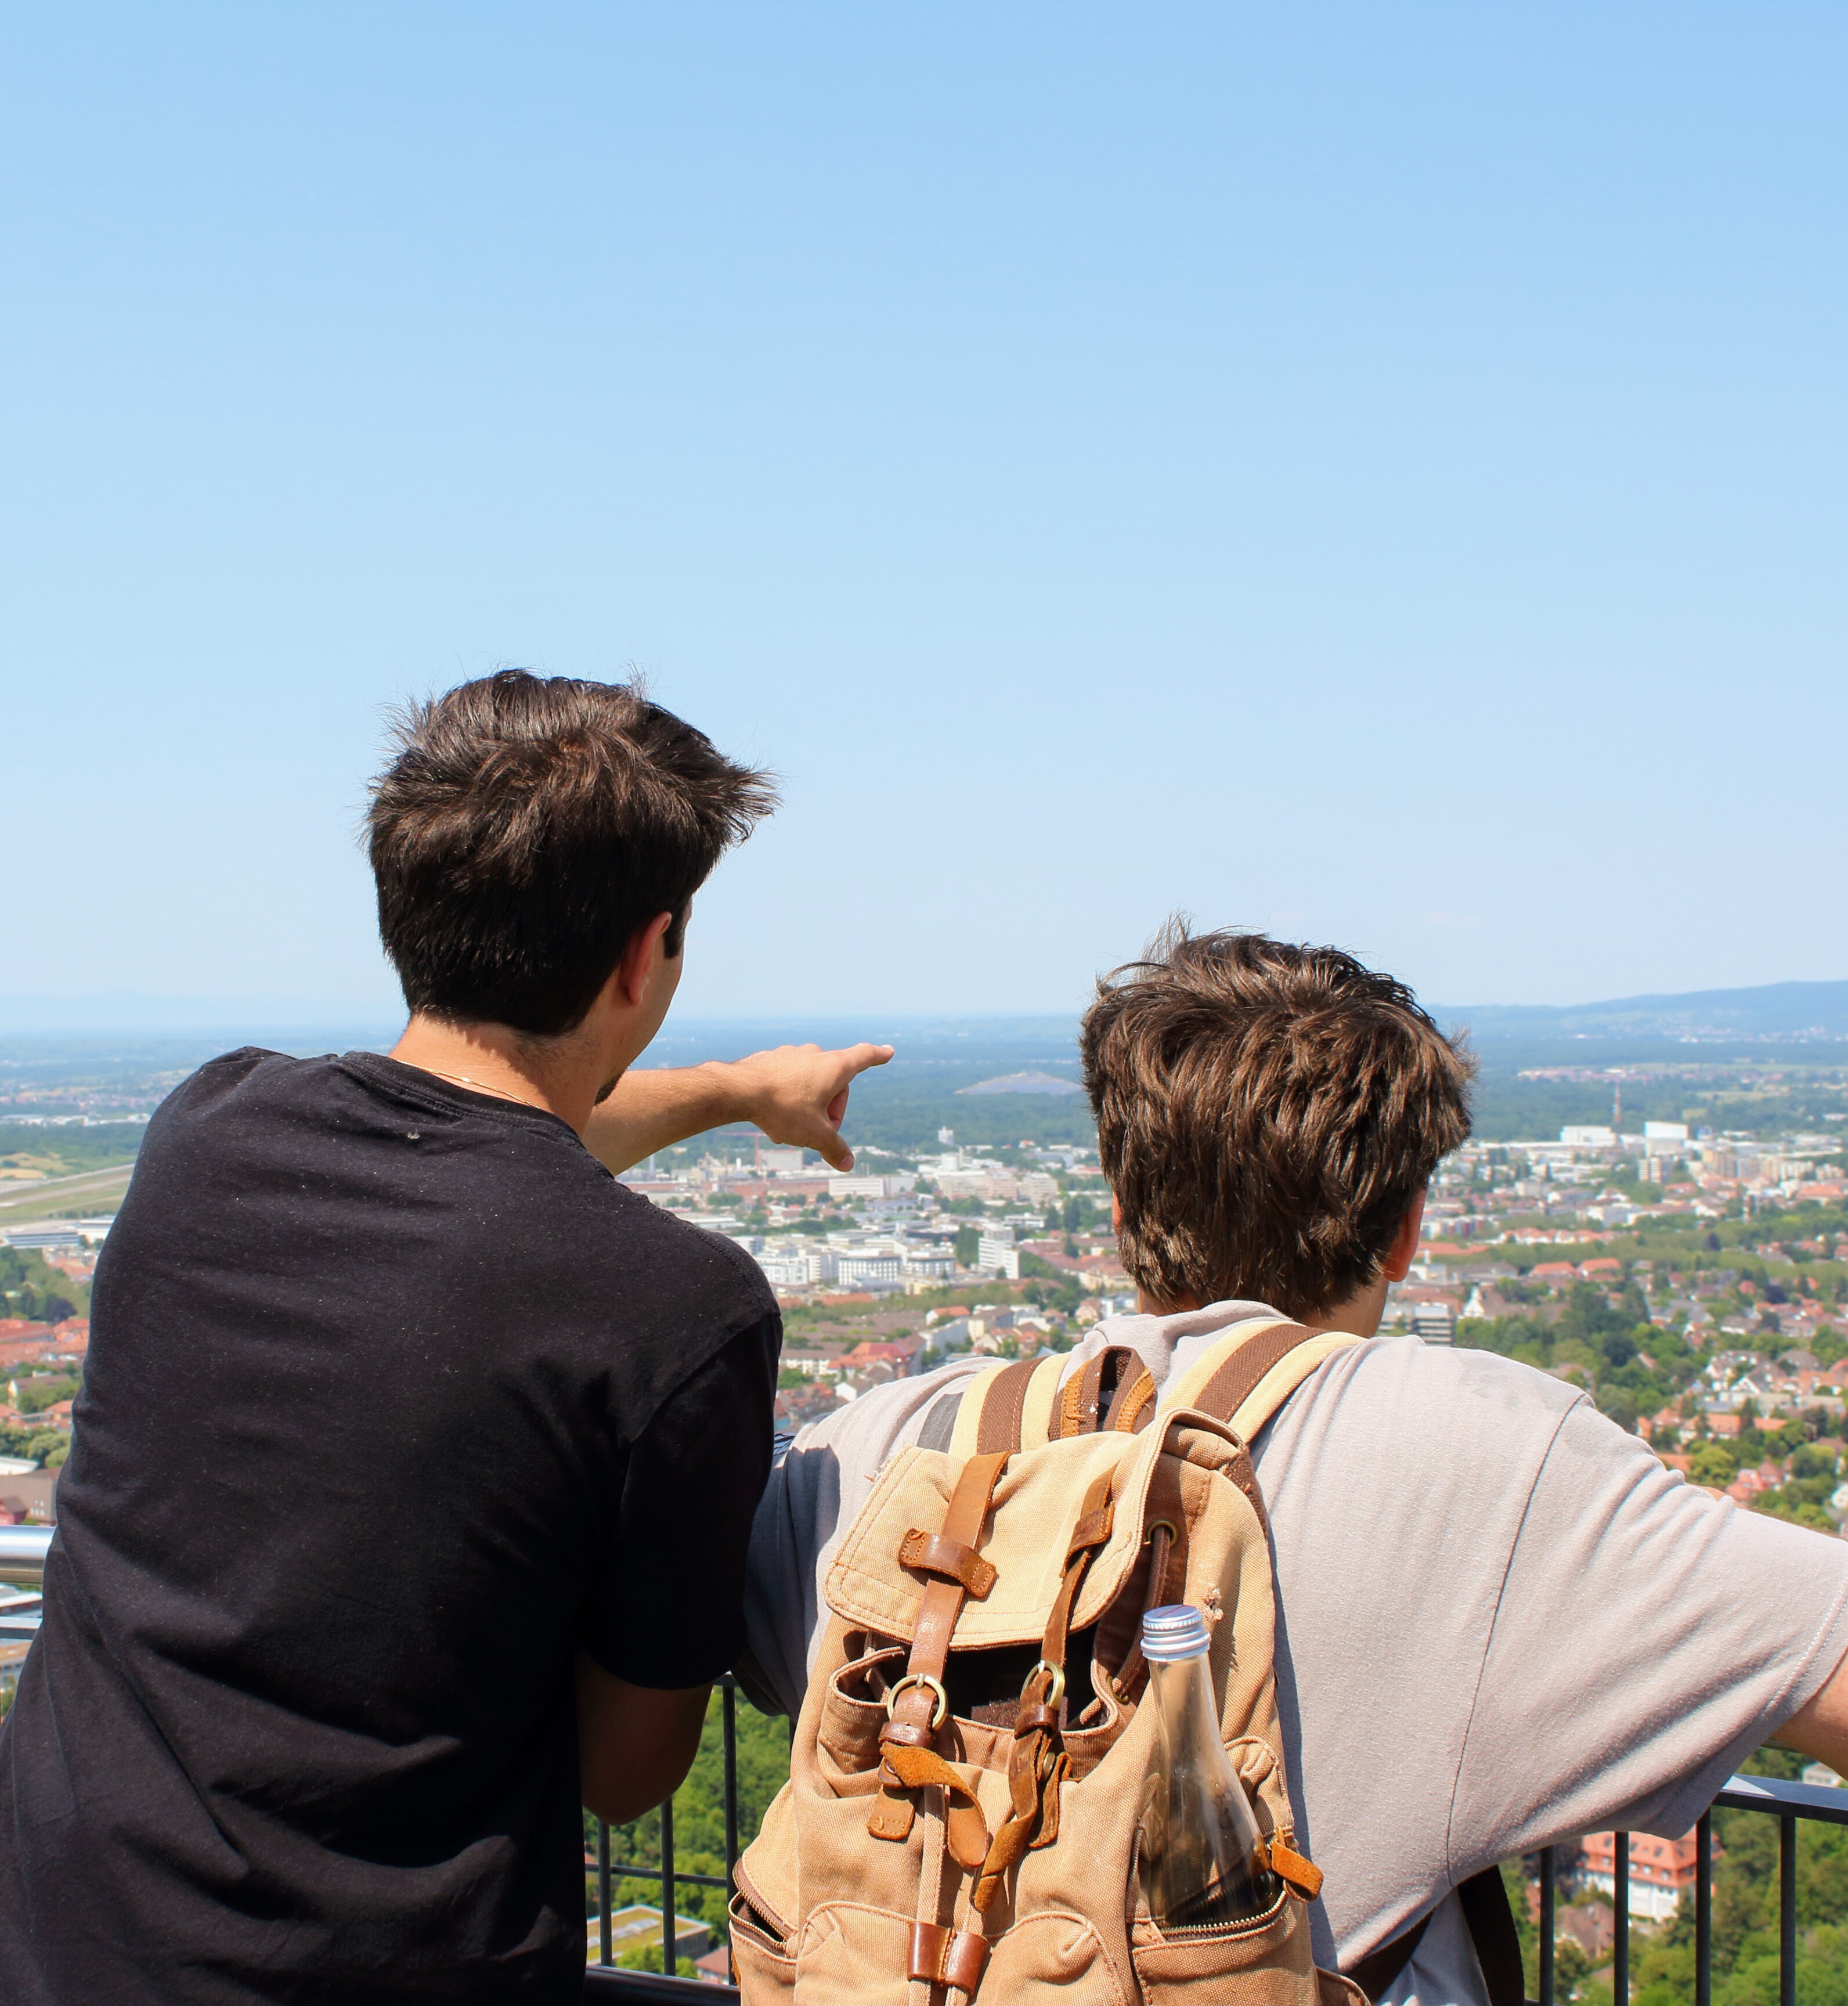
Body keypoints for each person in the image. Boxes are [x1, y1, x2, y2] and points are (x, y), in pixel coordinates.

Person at [743, 925, 1848, 2006]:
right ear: (1407, 1230)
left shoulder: (884, 1450)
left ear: (1123, 1212)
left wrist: (711, 1097)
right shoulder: (1484, 1470)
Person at [0, 671, 891, 2005]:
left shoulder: (209, 1130)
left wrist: (737, 1093)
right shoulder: (674, 1312)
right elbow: (624, 1773)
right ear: (645, 954)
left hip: (62, 1942)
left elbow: (487, 1134)